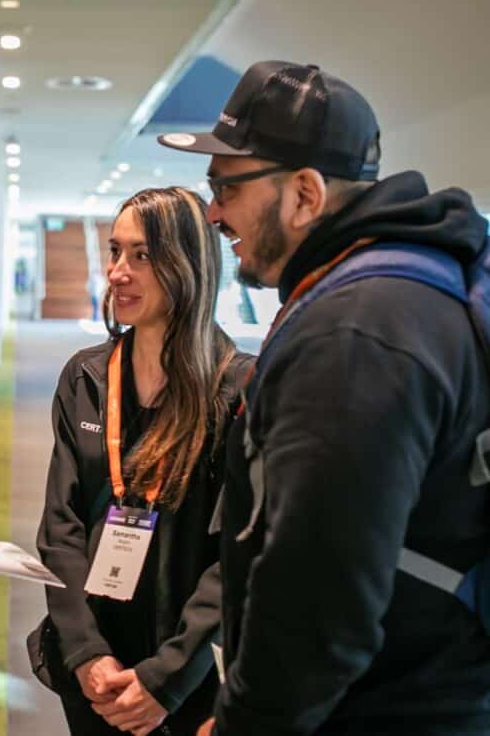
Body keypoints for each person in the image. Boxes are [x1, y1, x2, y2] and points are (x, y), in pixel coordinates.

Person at [159, 61, 490, 734]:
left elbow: (320, 594)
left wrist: (245, 722)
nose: (214, 213)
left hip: (383, 707)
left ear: (306, 195)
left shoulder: (357, 331)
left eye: (226, 186)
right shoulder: (403, 287)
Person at [34, 187, 252, 736]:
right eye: (114, 251)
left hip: (185, 674)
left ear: (188, 264)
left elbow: (236, 554)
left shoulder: (239, 388)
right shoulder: (86, 378)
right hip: (92, 667)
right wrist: (85, 653)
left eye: (143, 255)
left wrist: (167, 677)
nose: (118, 272)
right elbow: (61, 528)